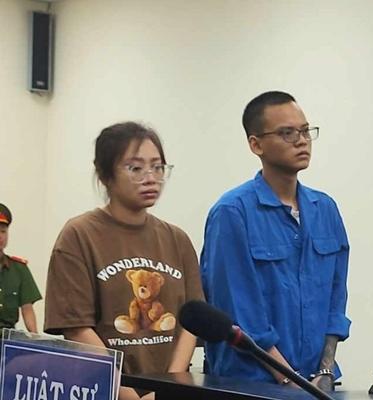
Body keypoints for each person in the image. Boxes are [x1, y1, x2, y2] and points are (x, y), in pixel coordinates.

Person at [200, 91, 350, 391]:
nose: (301, 141)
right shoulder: (232, 213)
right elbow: (239, 313)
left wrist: (325, 370)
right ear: (256, 144)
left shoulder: (325, 209)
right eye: (287, 133)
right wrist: (289, 379)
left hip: (317, 383)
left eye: (305, 131)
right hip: (250, 384)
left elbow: (336, 301)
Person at [44, 122, 204, 400]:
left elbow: (191, 323)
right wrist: (127, 395)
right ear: (105, 175)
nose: (150, 178)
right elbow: (77, 330)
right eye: (135, 168)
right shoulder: (79, 235)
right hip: (104, 390)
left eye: (158, 167)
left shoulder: (177, 239)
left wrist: (166, 389)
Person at [0, 203, 42, 333]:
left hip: (7, 338)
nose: (0, 236)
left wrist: (34, 338)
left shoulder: (19, 269)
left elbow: (27, 309)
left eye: (3, 231)